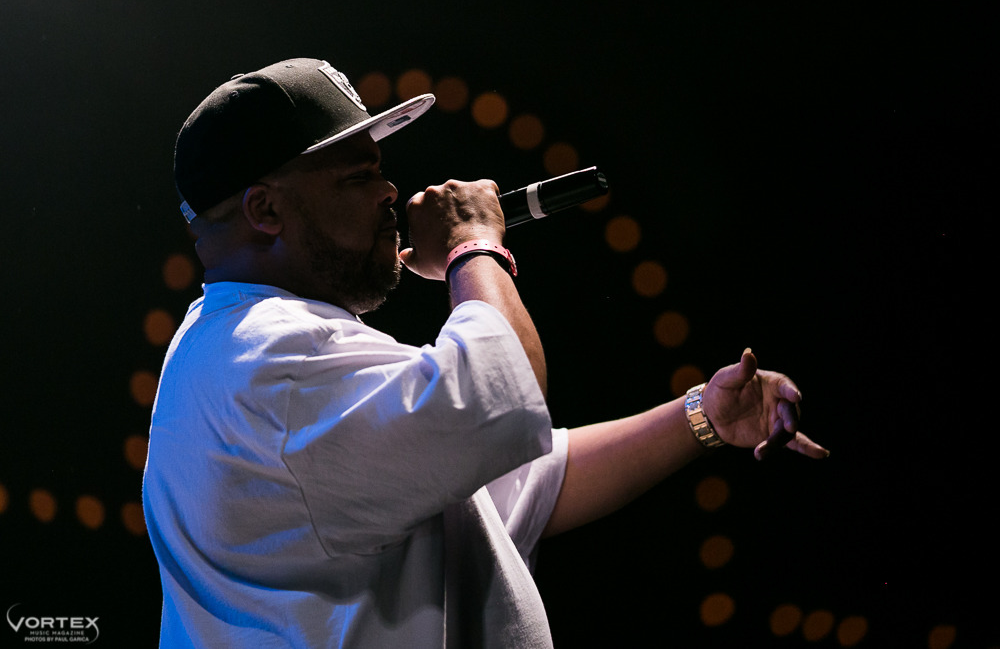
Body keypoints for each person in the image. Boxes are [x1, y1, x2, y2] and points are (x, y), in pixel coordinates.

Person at [142, 57, 829, 648]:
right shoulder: (264, 359)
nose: (390, 194)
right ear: (264, 210)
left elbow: (521, 475)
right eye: (356, 178)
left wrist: (702, 415)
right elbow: (502, 400)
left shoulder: (253, 346)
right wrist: (475, 245)